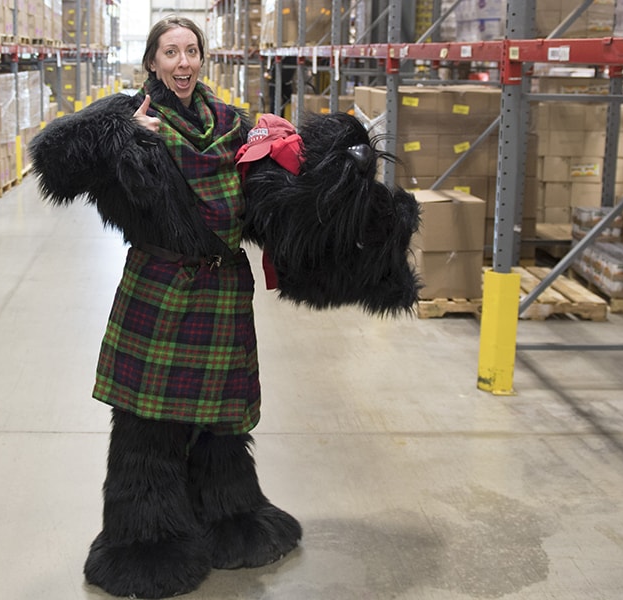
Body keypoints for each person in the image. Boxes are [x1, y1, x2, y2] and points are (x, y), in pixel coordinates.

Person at [30, 15, 420, 599]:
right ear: (152, 62)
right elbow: (52, 161)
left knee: (222, 417)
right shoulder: (132, 118)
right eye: (170, 53)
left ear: (202, 57)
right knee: (148, 423)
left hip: (220, 290)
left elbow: (282, 207)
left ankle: (226, 513)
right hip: (160, 288)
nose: (182, 63)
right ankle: (143, 537)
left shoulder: (236, 125)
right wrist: (118, 127)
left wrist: (349, 174)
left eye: (191, 51)